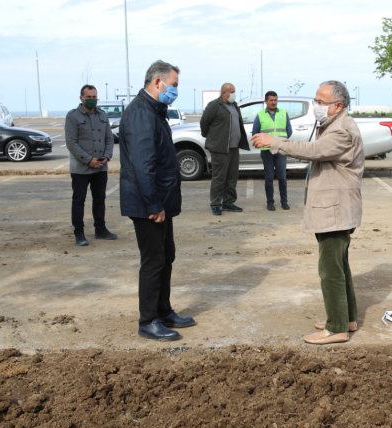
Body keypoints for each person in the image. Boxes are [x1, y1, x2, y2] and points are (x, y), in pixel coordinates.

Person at [252, 81, 363, 345]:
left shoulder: (342, 130)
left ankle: (336, 328)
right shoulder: (334, 124)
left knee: (330, 269)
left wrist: (276, 142)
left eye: (321, 102)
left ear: (338, 105)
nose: (316, 106)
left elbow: (314, 151)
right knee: (339, 265)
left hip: (335, 211)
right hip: (335, 208)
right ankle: (346, 317)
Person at [119, 60, 196, 341]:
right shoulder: (141, 114)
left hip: (161, 201)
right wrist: (153, 205)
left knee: (167, 256)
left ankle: (164, 311)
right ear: (157, 83)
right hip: (148, 205)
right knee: (153, 261)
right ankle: (148, 320)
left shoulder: (155, 111)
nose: (175, 90)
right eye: (173, 85)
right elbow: (143, 165)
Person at [65, 84, 117, 246]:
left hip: (101, 166)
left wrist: (107, 156)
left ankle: (100, 229)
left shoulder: (102, 115)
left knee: (100, 199)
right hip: (81, 168)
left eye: (94, 97)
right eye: (89, 98)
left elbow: (109, 139)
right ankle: (79, 233)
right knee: (79, 200)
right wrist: (88, 160)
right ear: (81, 98)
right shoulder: (73, 116)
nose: (92, 100)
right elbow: (71, 142)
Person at [200, 82, 250, 215]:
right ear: (224, 93)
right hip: (220, 148)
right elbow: (204, 123)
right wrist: (213, 138)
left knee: (232, 177)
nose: (234, 94)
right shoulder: (214, 106)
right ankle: (216, 204)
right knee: (219, 177)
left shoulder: (234, 105)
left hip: (234, 148)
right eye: (232, 91)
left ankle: (228, 202)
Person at [251, 90, 293, 211]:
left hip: (281, 149)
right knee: (269, 177)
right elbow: (255, 132)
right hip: (266, 151)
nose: (273, 102)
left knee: (282, 177)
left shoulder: (284, 113)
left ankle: (284, 202)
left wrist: (280, 142)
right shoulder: (260, 115)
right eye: (271, 100)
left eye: (275, 100)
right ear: (266, 101)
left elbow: (289, 131)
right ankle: (270, 203)